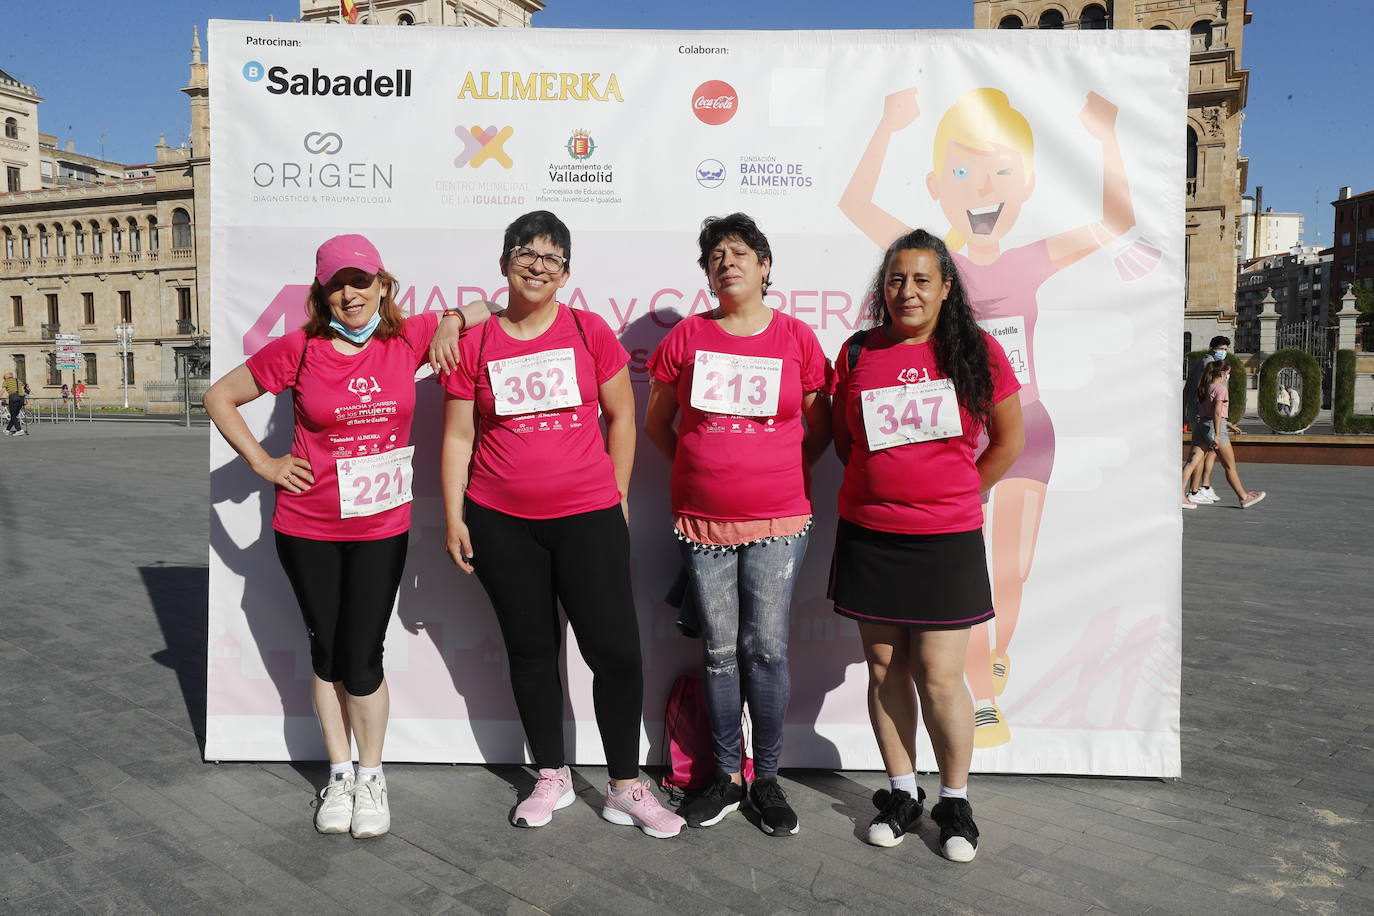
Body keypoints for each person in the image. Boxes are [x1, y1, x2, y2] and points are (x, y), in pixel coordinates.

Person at [841, 86, 1136, 748]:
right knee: (923, 639)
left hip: (1023, 435)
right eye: (964, 170)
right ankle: (984, 693)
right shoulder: (920, 262)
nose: (983, 186)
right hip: (925, 481)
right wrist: (887, 125)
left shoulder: (1029, 259)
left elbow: (1115, 221)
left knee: (1011, 570)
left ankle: (986, 672)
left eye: (1002, 170)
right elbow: (855, 204)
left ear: (1027, 183)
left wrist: (1106, 136)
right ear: (937, 184)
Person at [204, 234, 486, 839]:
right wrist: (264, 464)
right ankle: (339, 773)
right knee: (328, 653)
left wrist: (453, 320)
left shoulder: (408, 338)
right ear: (322, 293)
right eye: (337, 284)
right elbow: (219, 395)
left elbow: (489, 308)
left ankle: (372, 774)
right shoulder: (300, 349)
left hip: (381, 526)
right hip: (307, 526)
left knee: (363, 657)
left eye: (360, 281)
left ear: (384, 284)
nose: (350, 294)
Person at [439, 210, 685, 839]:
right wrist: (453, 516)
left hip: (588, 517)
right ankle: (550, 774)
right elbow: (458, 435)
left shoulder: (587, 329)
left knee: (616, 652)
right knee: (531, 652)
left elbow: (622, 417)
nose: (537, 264)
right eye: (525, 252)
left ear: (566, 273)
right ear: (503, 265)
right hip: (500, 522)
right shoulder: (476, 340)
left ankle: (626, 784)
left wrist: (620, 490)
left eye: (551, 257)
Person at [830, 229, 1024, 862]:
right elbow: (844, 441)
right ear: (882, 288)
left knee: (941, 676)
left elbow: (1008, 442)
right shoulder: (858, 352)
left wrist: (961, 492)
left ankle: (955, 801)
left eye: (920, 280)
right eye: (895, 279)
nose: (906, 291)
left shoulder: (978, 352)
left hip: (946, 541)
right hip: (871, 536)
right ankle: (901, 793)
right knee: (887, 669)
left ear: (945, 288)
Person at [643, 213, 832, 836]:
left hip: (780, 522)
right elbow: (656, 426)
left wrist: (777, 468)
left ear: (765, 265)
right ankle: (725, 776)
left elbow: (820, 425)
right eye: (715, 255)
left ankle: (767, 779)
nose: (727, 262)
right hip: (703, 525)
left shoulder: (797, 339)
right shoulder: (688, 338)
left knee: (767, 650)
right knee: (720, 653)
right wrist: (701, 468)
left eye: (740, 252)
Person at [1181, 360, 1265, 509]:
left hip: (1201, 426)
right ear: (1222, 373)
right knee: (1229, 466)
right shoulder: (1220, 389)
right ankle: (1244, 497)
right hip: (1215, 427)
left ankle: (1179, 495)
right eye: (1227, 373)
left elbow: (1208, 411)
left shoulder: (1204, 387)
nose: (1228, 375)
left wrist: (1228, 425)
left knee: (1192, 462)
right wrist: (1218, 434)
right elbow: (1217, 412)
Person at [1184, 336, 1230, 504]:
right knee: (1201, 455)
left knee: (1203, 454)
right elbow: (1209, 393)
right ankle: (1195, 491)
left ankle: (1201, 488)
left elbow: (1189, 388)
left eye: (1225, 349)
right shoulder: (1209, 365)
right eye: (1221, 349)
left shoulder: (1200, 362)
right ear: (1213, 348)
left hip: (1198, 413)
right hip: (1205, 415)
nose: (1223, 352)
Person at [3, 371, 27, 436]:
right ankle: (7, 430)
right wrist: (25, 399)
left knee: (13, 415)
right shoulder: (17, 380)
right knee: (14, 416)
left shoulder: (6, 381)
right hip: (21, 398)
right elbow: (23, 387)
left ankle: (19, 430)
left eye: (4, 377)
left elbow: (2, 390)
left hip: (14, 398)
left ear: (7, 377)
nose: (3, 379)